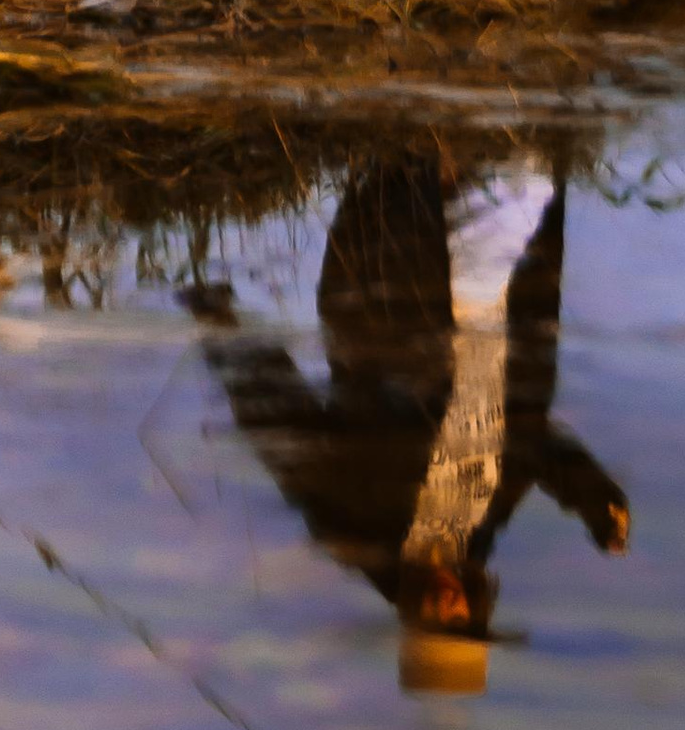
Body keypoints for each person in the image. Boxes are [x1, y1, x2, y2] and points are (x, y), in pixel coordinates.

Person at [189, 143, 630, 696]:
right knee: (535, 144)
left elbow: (277, 423)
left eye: (445, 620)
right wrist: (592, 497)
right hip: (512, 295)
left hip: (394, 281)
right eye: (471, 618)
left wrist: (220, 326)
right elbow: (520, 438)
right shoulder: (476, 530)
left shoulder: (358, 522)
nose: (459, 603)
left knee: (413, 132)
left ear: (411, 614)